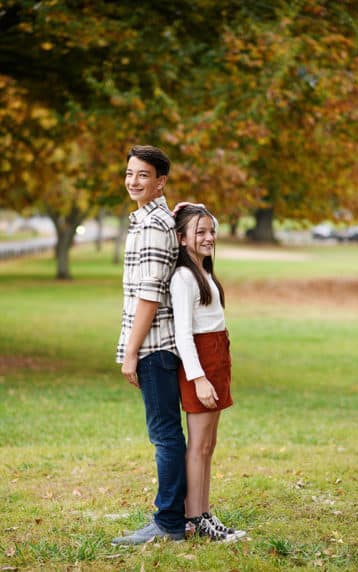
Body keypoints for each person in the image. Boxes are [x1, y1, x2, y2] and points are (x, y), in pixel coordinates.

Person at [112, 145, 187, 545]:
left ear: (160, 182)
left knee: (164, 434)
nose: (133, 181)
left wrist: (131, 351)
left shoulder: (155, 225)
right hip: (149, 346)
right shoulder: (147, 221)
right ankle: (176, 515)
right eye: (129, 173)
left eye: (143, 175)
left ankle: (170, 522)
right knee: (165, 432)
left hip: (155, 348)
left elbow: (150, 295)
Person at [170, 205, 245, 541]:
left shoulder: (203, 271)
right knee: (198, 445)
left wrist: (191, 210)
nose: (208, 237)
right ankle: (194, 517)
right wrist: (198, 378)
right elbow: (183, 335)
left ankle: (204, 513)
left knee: (208, 444)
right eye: (199, 232)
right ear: (182, 239)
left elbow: (200, 215)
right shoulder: (184, 277)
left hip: (217, 358)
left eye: (210, 231)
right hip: (200, 363)